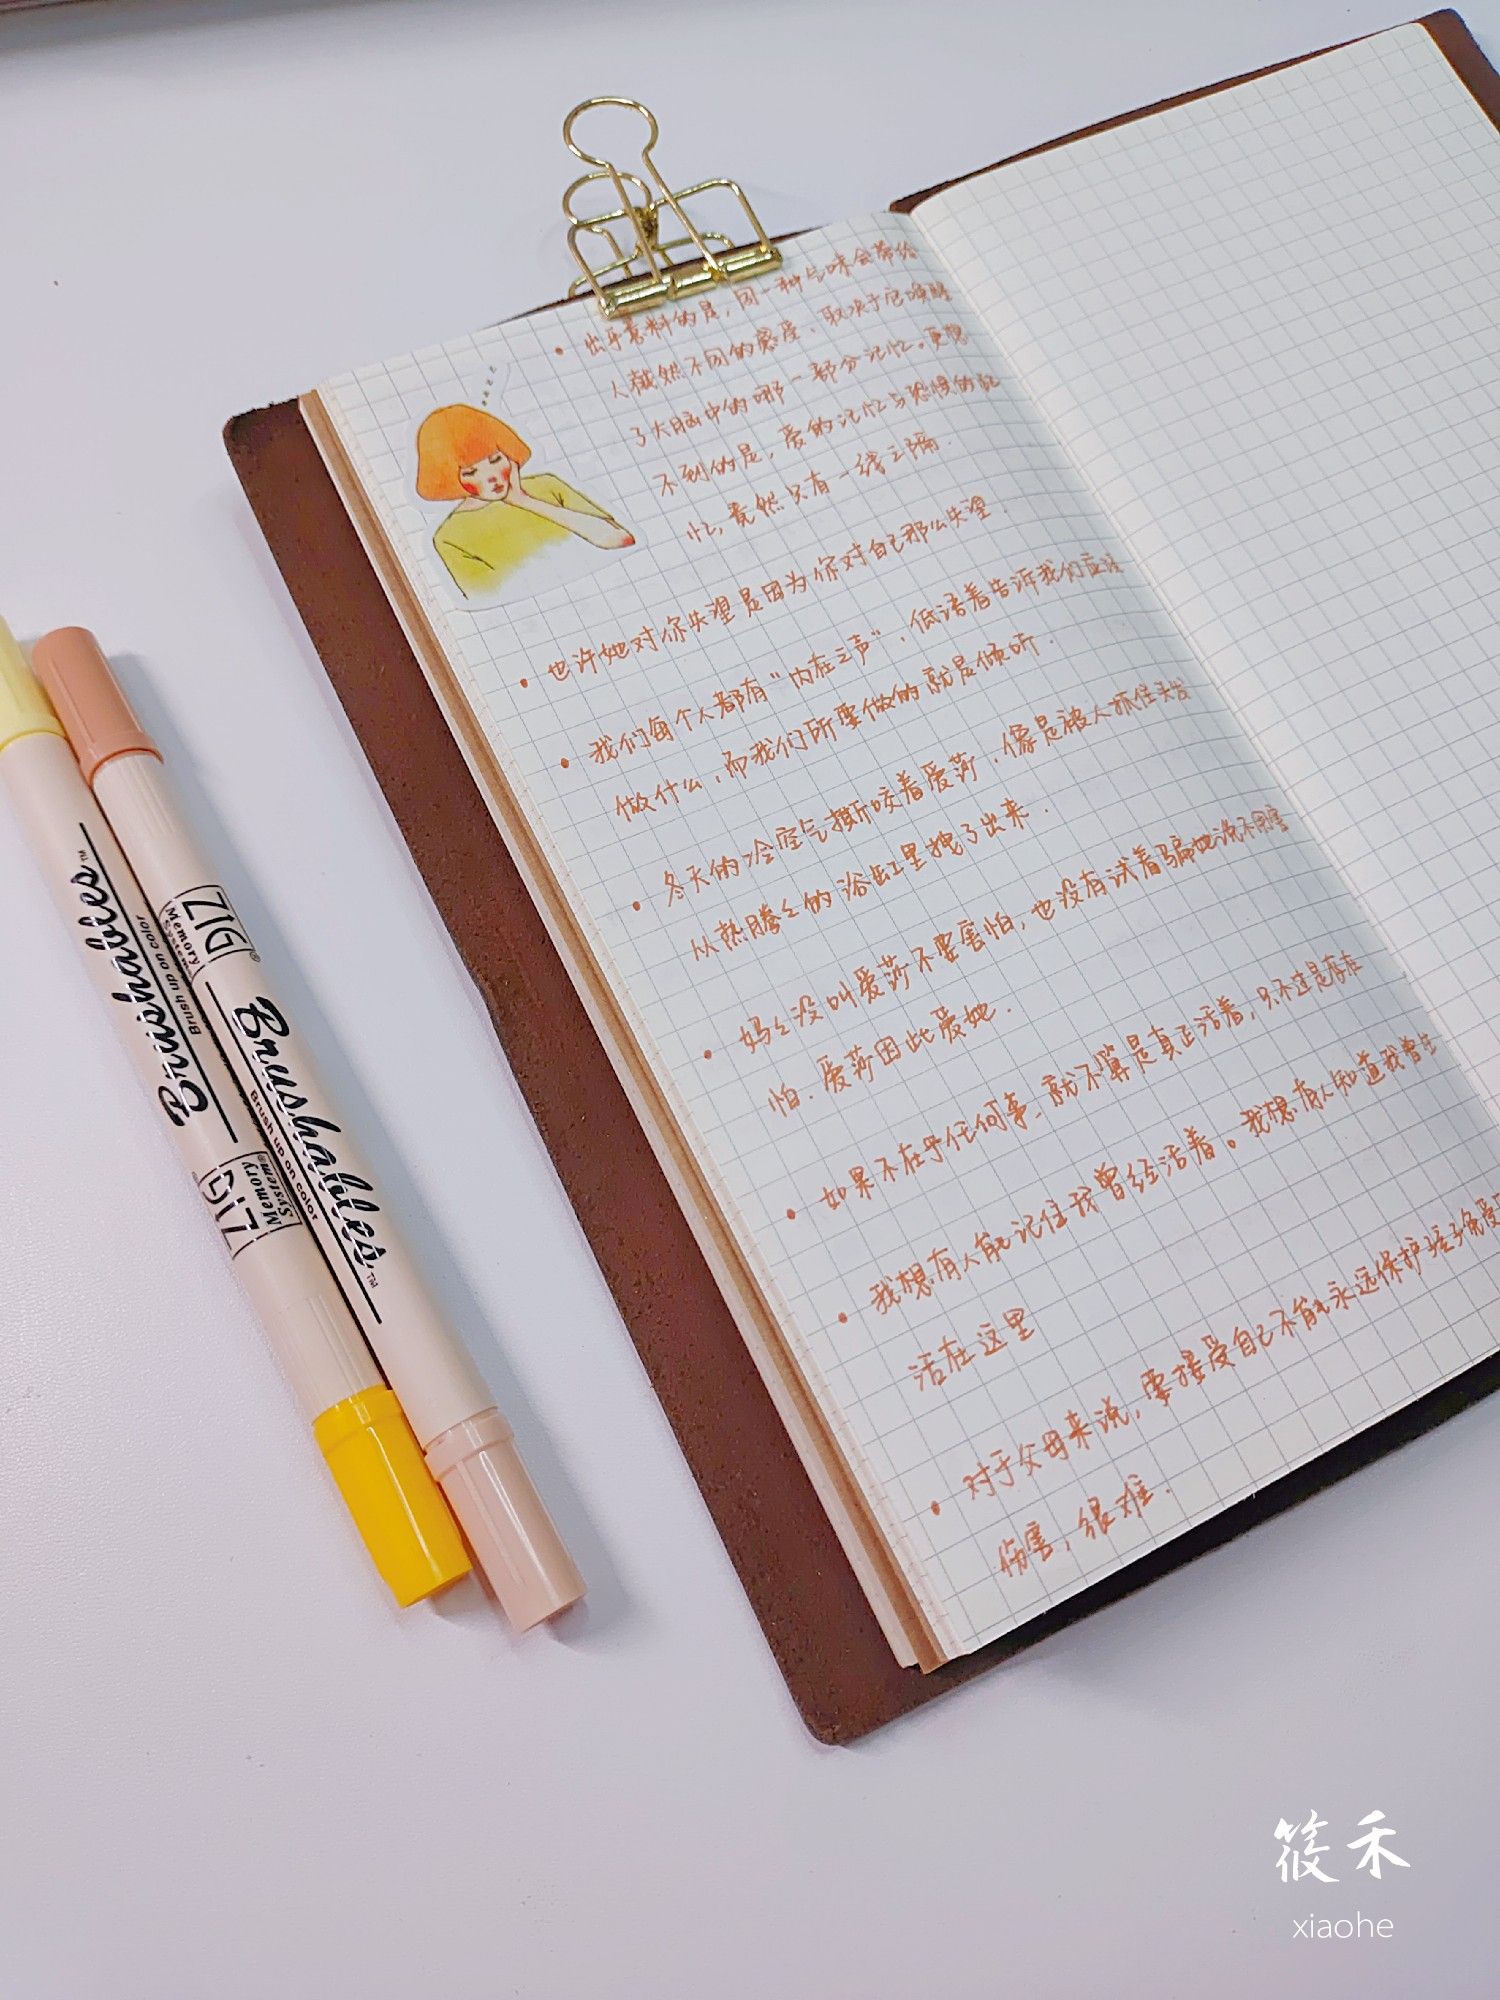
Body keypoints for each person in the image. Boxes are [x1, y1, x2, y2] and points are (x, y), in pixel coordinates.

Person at [415, 404, 635, 600]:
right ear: (449, 478)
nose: (491, 477)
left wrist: (525, 501)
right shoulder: (448, 537)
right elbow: (490, 597)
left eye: (495, 459)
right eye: (471, 472)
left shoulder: (547, 485)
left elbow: (620, 538)